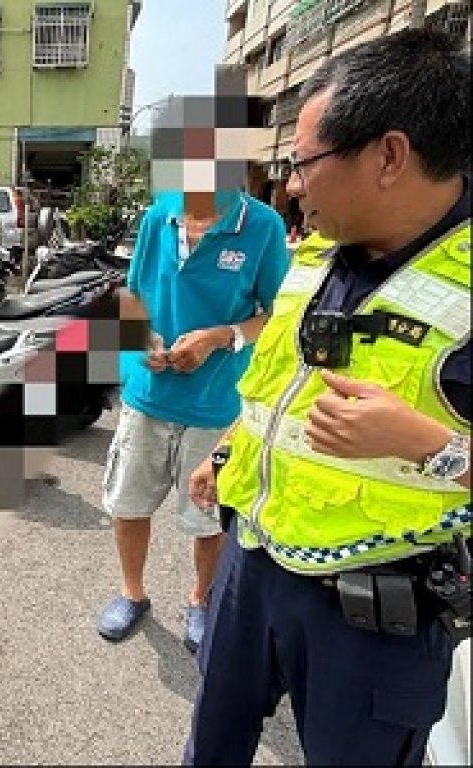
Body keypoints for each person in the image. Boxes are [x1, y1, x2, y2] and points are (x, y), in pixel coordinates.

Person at [183, 28, 470, 766]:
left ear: (389, 156)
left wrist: (428, 445)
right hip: (252, 561)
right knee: (208, 746)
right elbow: (276, 384)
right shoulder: (316, 252)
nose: (292, 186)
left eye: (304, 163)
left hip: (376, 613)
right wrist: (227, 452)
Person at [97, 95, 290, 652]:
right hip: (147, 394)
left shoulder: (264, 227)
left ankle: (200, 599)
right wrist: (144, 346)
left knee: (207, 517)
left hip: (216, 404)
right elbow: (131, 297)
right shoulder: (158, 215)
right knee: (128, 503)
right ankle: (132, 593)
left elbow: (275, 314)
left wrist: (217, 339)